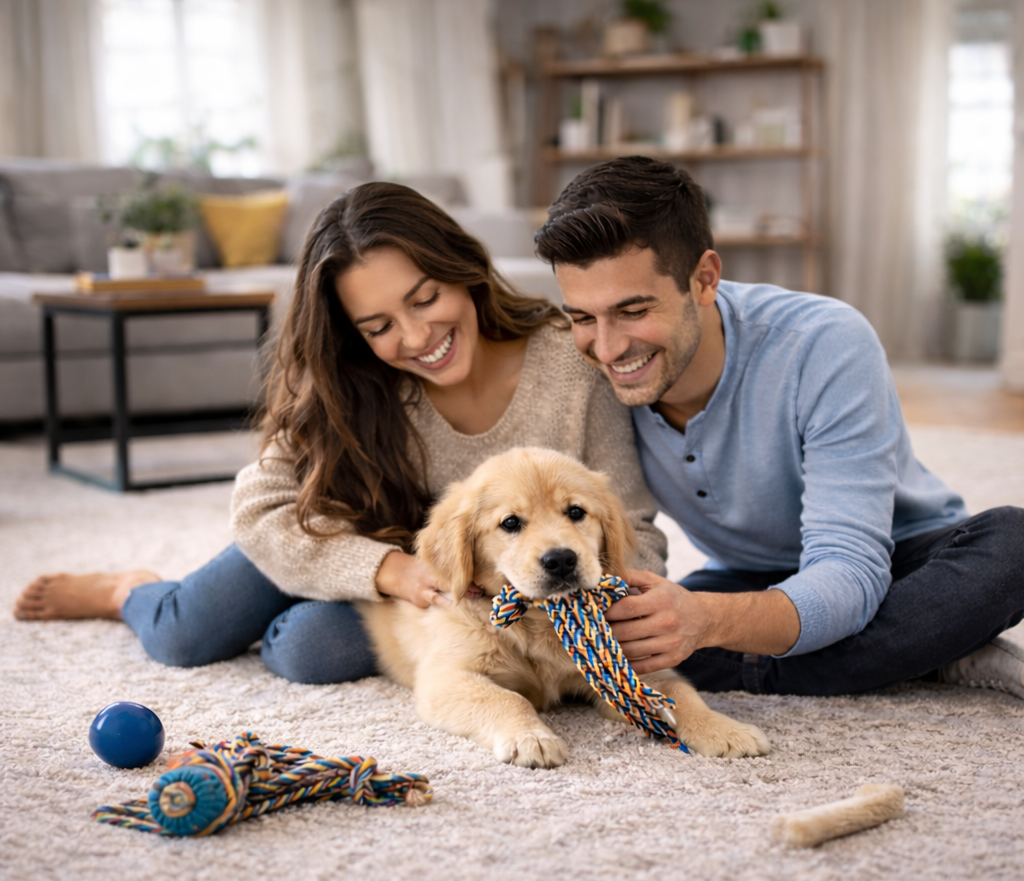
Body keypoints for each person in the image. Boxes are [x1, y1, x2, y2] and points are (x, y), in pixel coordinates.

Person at [13, 182, 666, 684]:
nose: (414, 338)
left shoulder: (571, 365)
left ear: (462, 269)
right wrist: (385, 568)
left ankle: (301, 614)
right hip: (334, 539)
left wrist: (625, 610)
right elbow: (261, 510)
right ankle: (125, 588)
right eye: (378, 326)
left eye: (423, 298)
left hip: (460, 588)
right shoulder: (346, 379)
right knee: (185, 636)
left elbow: (630, 520)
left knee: (309, 647)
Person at [534, 155, 1024, 699]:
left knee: (1013, 545)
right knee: (621, 640)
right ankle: (922, 653)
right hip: (749, 576)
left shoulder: (825, 341)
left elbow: (847, 573)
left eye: (632, 311)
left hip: (895, 559)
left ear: (704, 279)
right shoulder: (581, 371)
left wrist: (709, 623)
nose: (606, 348)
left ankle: (846, 655)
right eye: (582, 317)